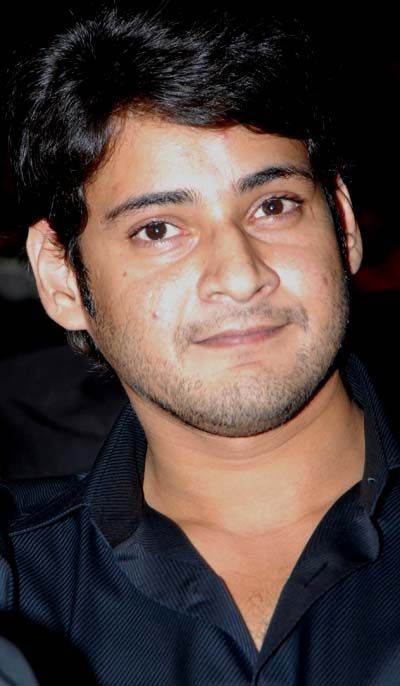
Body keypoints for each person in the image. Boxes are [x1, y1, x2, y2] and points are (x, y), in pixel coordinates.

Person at [4, 4, 400, 684]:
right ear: (63, 278)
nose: (240, 275)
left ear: (342, 223)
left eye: (273, 205)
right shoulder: (17, 591)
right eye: (158, 229)